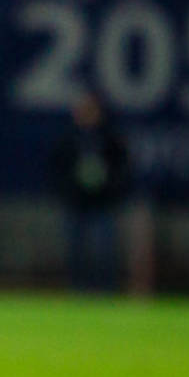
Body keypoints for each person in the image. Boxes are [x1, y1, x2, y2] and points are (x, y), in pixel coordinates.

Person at [50, 91, 129, 292]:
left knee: (105, 250)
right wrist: (69, 189)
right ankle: (77, 289)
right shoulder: (69, 140)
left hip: (102, 203)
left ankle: (106, 290)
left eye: (91, 110)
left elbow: (121, 168)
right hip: (76, 203)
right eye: (83, 110)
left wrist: (110, 188)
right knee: (75, 250)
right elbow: (57, 169)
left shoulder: (109, 138)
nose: (86, 114)